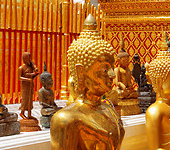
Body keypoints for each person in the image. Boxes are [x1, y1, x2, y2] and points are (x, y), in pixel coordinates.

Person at [50, 14, 124, 150]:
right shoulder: (67, 119)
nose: (112, 75)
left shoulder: (109, 109)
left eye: (112, 68)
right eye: (104, 69)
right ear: (81, 72)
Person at [18, 52, 38, 120]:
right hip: (25, 86)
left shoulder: (30, 67)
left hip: (30, 85)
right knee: (25, 99)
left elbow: (32, 77)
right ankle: (22, 113)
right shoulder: (21, 68)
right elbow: (20, 78)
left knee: (30, 100)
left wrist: (35, 74)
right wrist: (28, 79)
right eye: (28, 58)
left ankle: (29, 114)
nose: (30, 59)